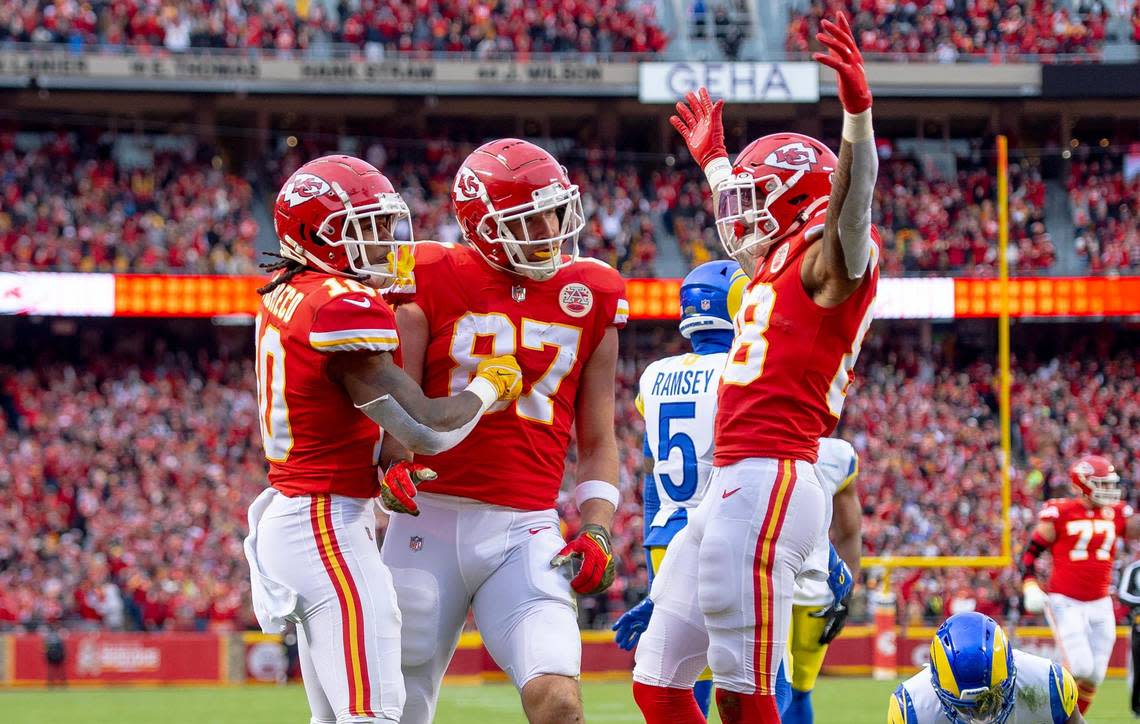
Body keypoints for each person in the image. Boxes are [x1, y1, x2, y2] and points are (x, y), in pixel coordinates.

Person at [631, 12, 881, 722]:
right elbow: (747, 226)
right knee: (657, 682)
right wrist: (715, 163)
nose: (736, 215)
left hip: (770, 474)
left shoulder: (833, 265)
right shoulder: (775, 263)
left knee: (744, 696)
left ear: (801, 203)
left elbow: (852, 217)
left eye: (752, 199)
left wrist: (856, 118)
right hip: (731, 480)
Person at [243, 155, 523, 724]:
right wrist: (488, 389)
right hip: (322, 524)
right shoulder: (337, 305)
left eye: (381, 225)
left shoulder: (289, 290)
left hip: (299, 514)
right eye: (362, 229)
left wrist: (380, 458)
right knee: (375, 712)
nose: (381, 242)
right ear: (314, 233)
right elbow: (425, 426)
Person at [381, 138, 628, 724]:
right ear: (482, 226)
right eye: (529, 217)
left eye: (553, 210)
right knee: (393, 709)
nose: (549, 227)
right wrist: (389, 466)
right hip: (427, 521)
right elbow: (396, 414)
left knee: (559, 703)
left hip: (526, 527)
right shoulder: (429, 274)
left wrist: (596, 530)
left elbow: (597, 441)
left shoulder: (591, 292)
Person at [614, 260, 748, 715]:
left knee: (680, 668)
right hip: (727, 533)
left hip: (667, 533)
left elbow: (653, 469)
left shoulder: (654, 376)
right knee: (762, 670)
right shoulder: (741, 368)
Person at [1020, 454, 1140, 715]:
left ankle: (1065, 721)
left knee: (1095, 675)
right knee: (1081, 668)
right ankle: (1038, 710)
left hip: (1100, 601)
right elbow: (1030, 552)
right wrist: (1029, 584)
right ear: (1084, 484)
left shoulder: (1115, 513)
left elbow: (1136, 527)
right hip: (1066, 600)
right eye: (1103, 483)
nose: (1110, 489)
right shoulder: (1061, 511)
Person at [784, 438, 862, 724]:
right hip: (787, 582)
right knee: (783, 689)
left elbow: (850, 532)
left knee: (793, 689)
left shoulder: (838, 454)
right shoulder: (837, 454)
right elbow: (850, 533)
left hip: (793, 584)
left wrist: (846, 596)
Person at [888, 611, 1083, 723]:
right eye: (967, 709)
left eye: (990, 702)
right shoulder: (913, 708)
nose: (982, 719)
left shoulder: (1048, 685)